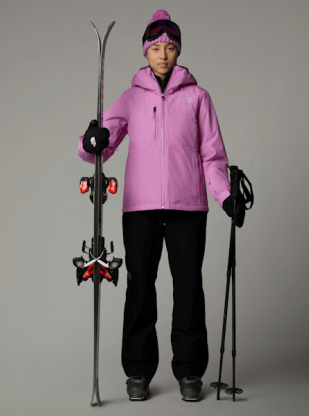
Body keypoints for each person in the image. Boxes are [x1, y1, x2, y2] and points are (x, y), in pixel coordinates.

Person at [78, 10, 234, 402]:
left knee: (188, 289)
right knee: (139, 288)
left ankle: (189, 372)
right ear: (145, 52)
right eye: (156, 48)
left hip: (187, 208)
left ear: (178, 51)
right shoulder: (131, 98)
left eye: (170, 47)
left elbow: (213, 156)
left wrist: (225, 196)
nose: (163, 54)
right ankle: (138, 370)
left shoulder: (198, 97)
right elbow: (100, 147)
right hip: (140, 208)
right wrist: (90, 141)